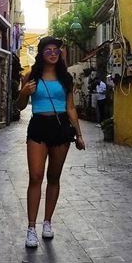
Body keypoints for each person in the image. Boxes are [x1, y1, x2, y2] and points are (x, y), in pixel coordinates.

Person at [16, 37, 85, 248]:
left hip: (61, 127)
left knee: (54, 177)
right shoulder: (31, 76)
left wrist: (79, 134)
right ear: (41, 53)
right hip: (38, 126)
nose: (53, 53)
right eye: (48, 50)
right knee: (35, 177)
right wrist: (23, 93)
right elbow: (18, 107)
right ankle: (30, 228)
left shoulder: (65, 79)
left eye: (56, 50)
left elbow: (71, 108)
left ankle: (47, 222)